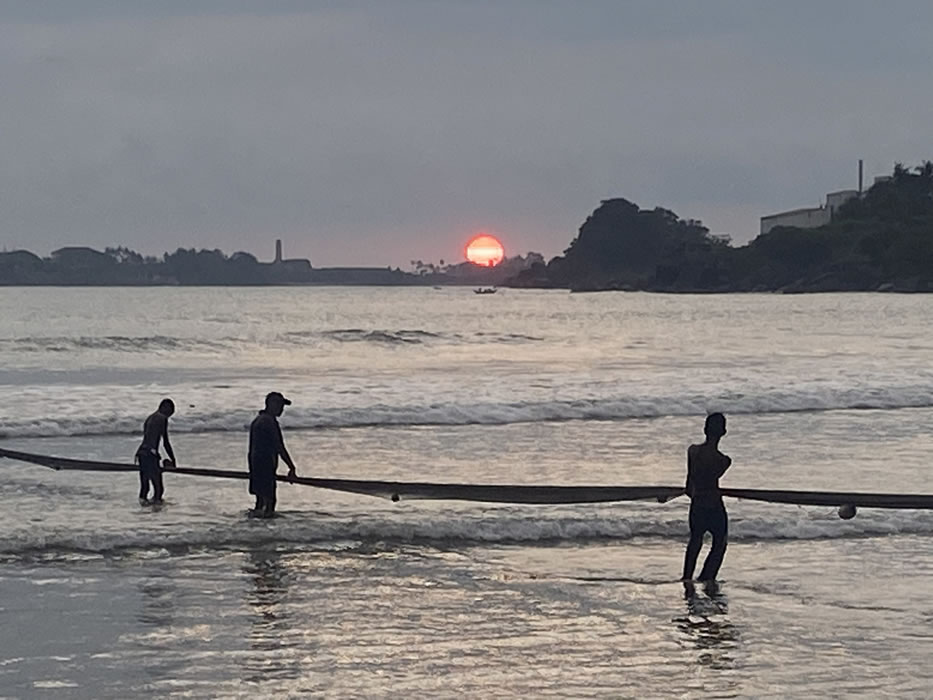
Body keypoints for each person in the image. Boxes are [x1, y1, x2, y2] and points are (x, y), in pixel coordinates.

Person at [682, 412, 732, 582]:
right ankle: (707, 577)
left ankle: (687, 577)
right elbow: (712, 477)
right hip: (715, 505)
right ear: (723, 432)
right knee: (719, 543)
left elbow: (689, 486)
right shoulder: (723, 461)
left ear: (705, 429)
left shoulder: (693, 451)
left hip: (697, 503)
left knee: (695, 541)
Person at [248, 392, 298, 518]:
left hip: (255, 465)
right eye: (279, 405)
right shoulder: (269, 422)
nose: (281, 409)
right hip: (265, 465)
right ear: (271, 404)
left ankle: (256, 525)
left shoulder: (258, 420)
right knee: (270, 502)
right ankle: (267, 526)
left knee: (260, 502)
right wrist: (291, 467)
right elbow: (279, 447)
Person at [136, 398, 176, 505]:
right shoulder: (162, 418)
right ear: (165, 407)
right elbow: (165, 442)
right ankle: (156, 509)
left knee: (145, 487)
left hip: (141, 453)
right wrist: (173, 459)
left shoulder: (150, 418)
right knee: (159, 488)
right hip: (150, 454)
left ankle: (143, 508)